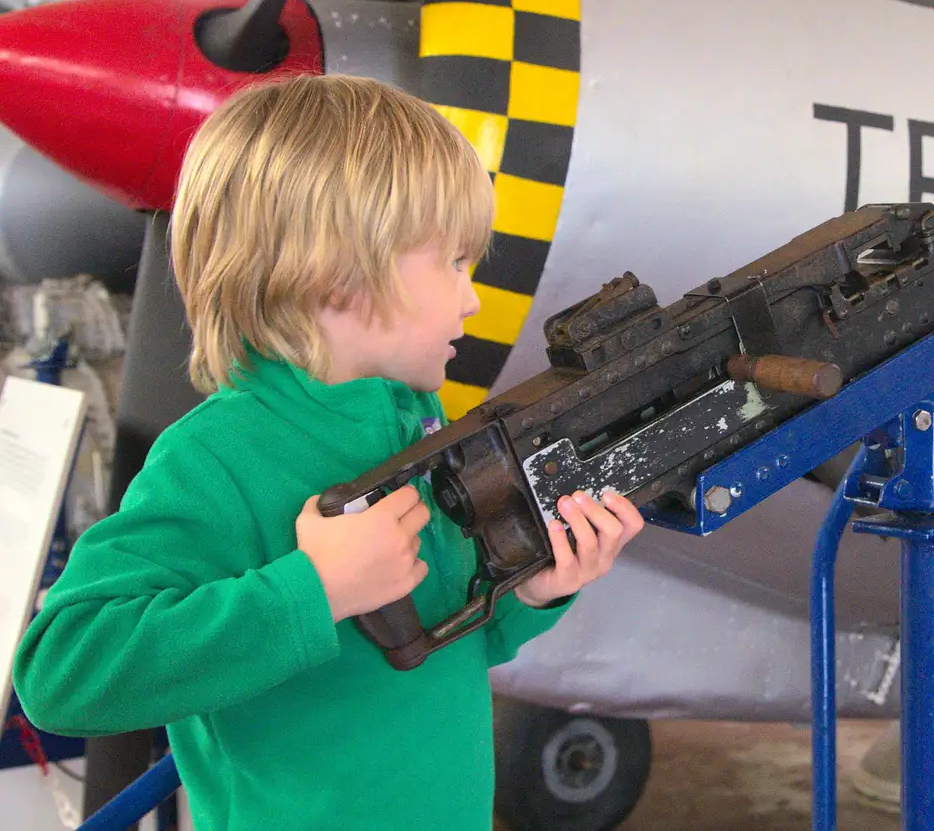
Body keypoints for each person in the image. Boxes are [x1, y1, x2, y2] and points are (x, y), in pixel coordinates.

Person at [13, 74, 644, 829]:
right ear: (338, 274)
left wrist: (535, 592)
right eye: (453, 264)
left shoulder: (418, 428)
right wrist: (314, 590)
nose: (472, 299)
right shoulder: (220, 456)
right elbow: (62, 671)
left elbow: (437, 642)